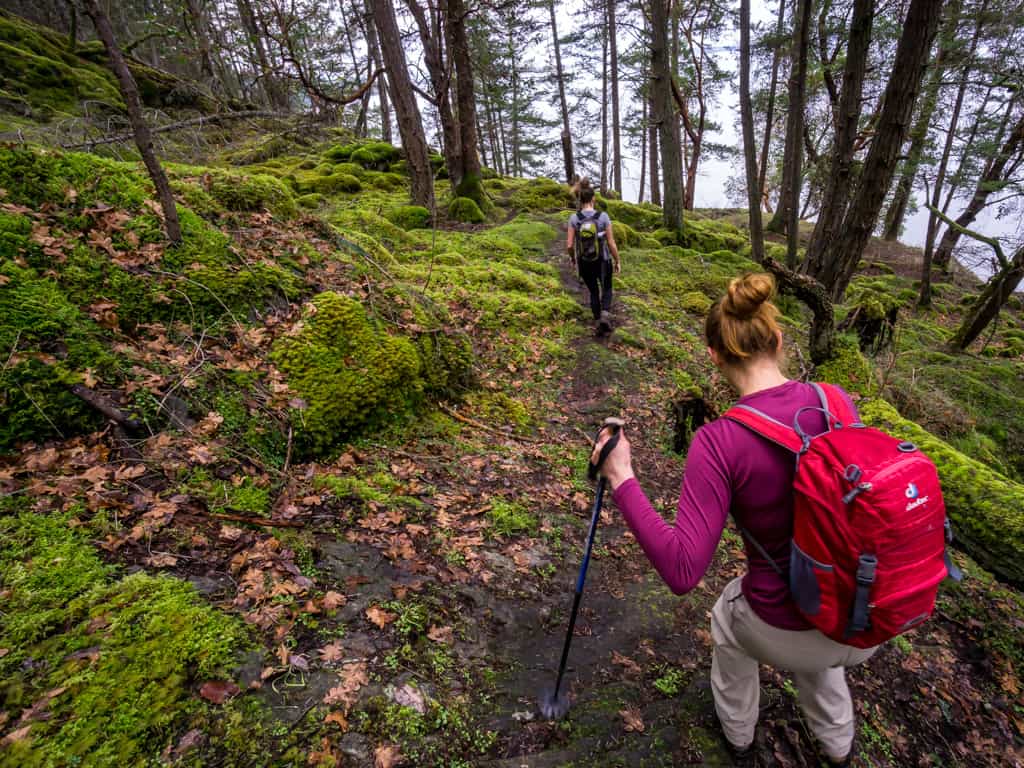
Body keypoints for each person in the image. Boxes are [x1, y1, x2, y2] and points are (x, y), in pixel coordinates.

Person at [590, 273, 876, 767]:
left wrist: (621, 475)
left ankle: (738, 734)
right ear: (780, 339)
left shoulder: (720, 441)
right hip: (868, 614)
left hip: (784, 628)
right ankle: (837, 743)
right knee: (821, 586)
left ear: (715, 355)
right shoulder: (837, 401)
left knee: (727, 616)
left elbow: (683, 572)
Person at [567, 184, 620, 335]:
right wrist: (617, 260)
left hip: (585, 262)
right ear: (593, 199)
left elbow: (570, 245)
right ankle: (605, 314)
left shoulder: (574, 218)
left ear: (580, 199)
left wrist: (573, 259)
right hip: (603, 260)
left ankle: (598, 321)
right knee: (607, 287)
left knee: (593, 292)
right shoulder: (603, 217)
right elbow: (611, 242)